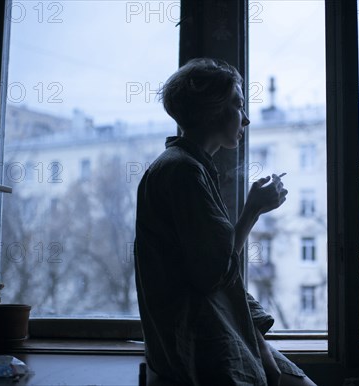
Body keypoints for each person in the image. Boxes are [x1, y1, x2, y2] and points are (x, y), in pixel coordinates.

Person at [134, 58, 318, 386]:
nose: (245, 119)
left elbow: (211, 267)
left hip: (203, 329)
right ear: (211, 109)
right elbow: (213, 273)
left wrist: (256, 338)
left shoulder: (188, 166)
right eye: (239, 104)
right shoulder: (184, 172)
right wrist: (252, 211)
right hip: (194, 342)